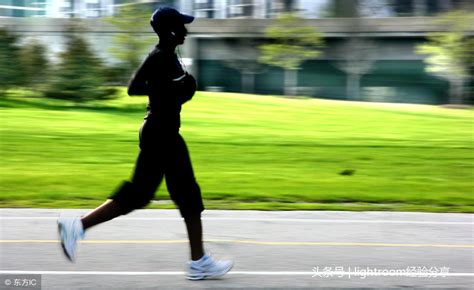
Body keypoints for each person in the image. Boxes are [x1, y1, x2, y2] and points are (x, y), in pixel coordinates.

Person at [57, 7, 233, 280]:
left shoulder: (171, 57)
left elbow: (168, 94)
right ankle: (198, 262)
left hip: (164, 133)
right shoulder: (159, 57)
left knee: (145, 195)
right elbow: (134, 87)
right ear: (170, 30)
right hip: (160, 134)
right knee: (183, 195)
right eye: (181, 26)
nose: (186, 30)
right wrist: (175, 89)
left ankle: (77, 227)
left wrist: (181, 92)